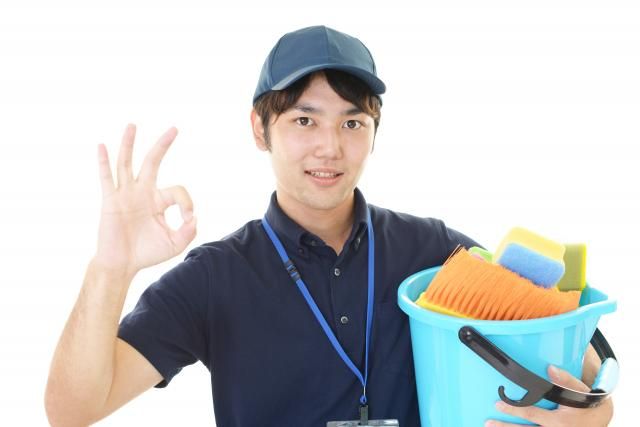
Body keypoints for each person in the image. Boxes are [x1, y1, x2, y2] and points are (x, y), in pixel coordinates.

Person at [45, 25, 614, 426]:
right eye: (304, 120)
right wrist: (110, 268)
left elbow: (585, 364)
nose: (330, 147)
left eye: (352, 122)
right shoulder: (215, 277)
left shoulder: (435, 251)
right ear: (259, 128)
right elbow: (72, 411)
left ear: (374, 131)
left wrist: (597, 411)